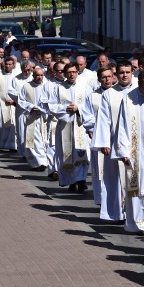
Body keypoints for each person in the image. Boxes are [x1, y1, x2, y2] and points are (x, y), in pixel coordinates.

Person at [112, 70, 144, 234]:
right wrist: (123, 151)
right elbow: (122, 126)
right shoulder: (129, 99)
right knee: (134, 185)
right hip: (134, 150)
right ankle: (134, 222)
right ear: (140, 85)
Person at [90, 61, 137, 222]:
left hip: (136, 144)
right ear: (117, 74)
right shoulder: (109, 94)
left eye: (127, 72)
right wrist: (103, 142)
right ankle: (119, 212)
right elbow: (103, 120)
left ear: (132, 73)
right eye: (121, 72)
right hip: (115, 144)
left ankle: (135, 214)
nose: (124, 75)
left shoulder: (139, 92)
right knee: (116, 180)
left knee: (134, 179)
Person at [49, 63, 91, 193]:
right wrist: (66, 109)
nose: (72, 74)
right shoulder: (59, 88)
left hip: (80, 124)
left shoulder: (85, 86)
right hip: (65, 125)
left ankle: (81, 180)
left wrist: (78, 109)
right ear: (65, 74)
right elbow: (52, 106)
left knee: (81, 153)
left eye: (74, 72)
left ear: (77, 72)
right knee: (67, 154)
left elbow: (90, 104)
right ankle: (71, 181)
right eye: (69, 72)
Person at [81, 67, 116, 207]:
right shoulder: (93, 96)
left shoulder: (119, 94)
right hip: (99, 139)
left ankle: (116, 202)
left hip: (115, 139)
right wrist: (95, 129)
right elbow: (87, 116)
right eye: (104, 77)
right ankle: (103, 201)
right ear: (99, 79)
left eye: (109, 76)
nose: (107, 79)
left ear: (113, 77)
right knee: (100, 171)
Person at [19, 67, 49, 170]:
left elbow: (52, 100)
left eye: (41, 75)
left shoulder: (47, 86)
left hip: (44, 118)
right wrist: (31, 107)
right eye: (37, 75)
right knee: (34, 141)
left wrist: (45, 109)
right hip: (32, 117)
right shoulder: (27, 86)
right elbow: (21, 100)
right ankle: (39, 163)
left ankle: (44, 161)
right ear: (33, 76)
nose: (39, 77)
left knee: (44, 140)